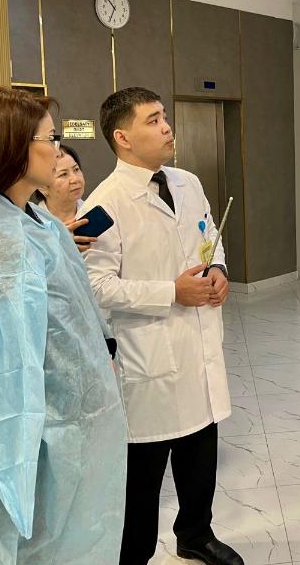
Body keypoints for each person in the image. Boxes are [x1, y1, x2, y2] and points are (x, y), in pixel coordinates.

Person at [0, 86, 127, 563]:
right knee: (38, 545)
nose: (59, 150)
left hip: (68, 422)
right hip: (39, 436)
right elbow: (5, 373)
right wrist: (23, 461)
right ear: (11, 148)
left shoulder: (34, 219)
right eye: (49, 139)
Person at [81, 87, 239, 565]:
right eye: (152, 120)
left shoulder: (188, 182)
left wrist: (218, 270)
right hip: (149, 354)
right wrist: (171, 292)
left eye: (164, 117)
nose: (167, 127)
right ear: (122, 137)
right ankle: (135, 555)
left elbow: (210, 236)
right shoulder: (104, 204)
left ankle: (195, 533)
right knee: (144, 474)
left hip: (198, 343)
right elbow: (96, 287)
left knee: (201, 450)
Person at [33, 144, 95, 253]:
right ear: (42, 186)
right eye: (63, 174)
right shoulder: (31, 224)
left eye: (76, 169)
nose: (75, 179)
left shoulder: (94, 213)